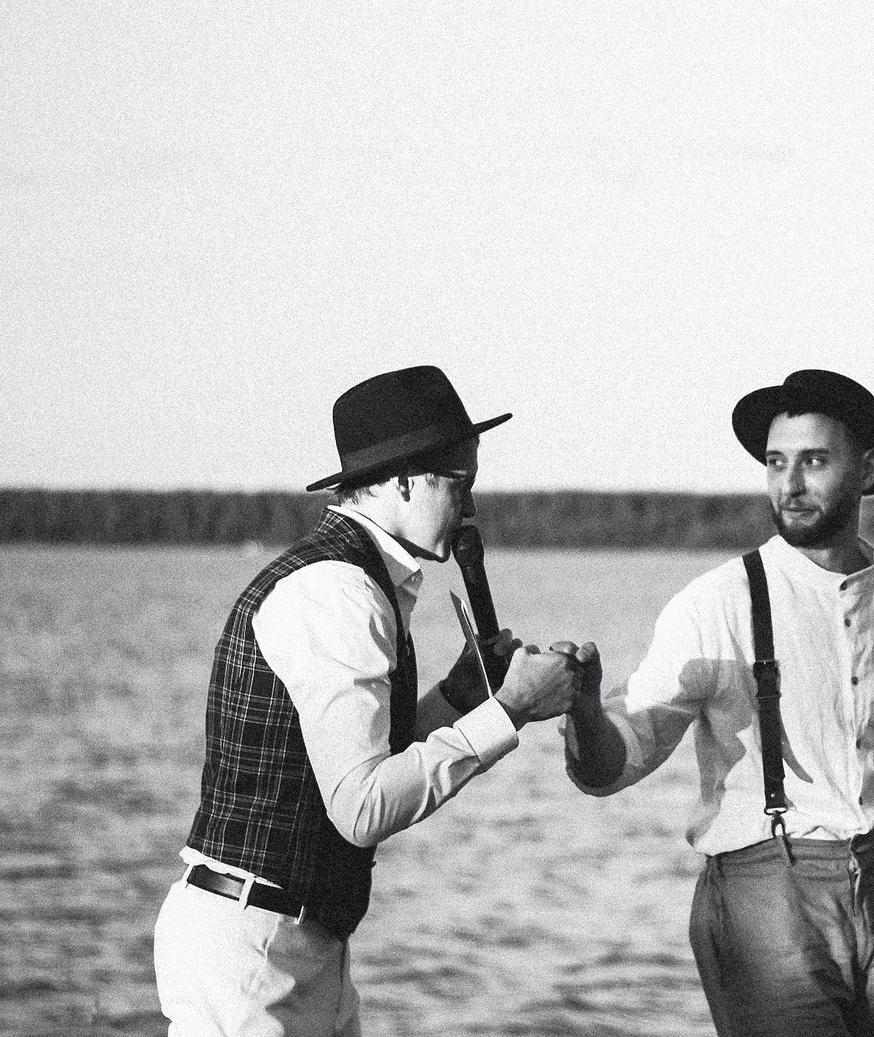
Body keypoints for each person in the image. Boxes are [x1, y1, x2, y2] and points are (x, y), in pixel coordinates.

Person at [154, 365, 581, 1037]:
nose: (471, 509)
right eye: (461, 486)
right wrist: (512, 710)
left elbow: (362, 752)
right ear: (406, 481)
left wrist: (461, 696)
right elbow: (361, 806)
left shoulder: (355, 579)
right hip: (252, 954)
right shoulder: (338, 594)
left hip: (289, 941)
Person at [559, 369, 874, 1037]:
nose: (789, 486)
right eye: (776, 463)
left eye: (814, 462)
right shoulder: (717, 602)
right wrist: (584, 711)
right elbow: (614, 764)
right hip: (765, 892)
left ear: (868, 468)